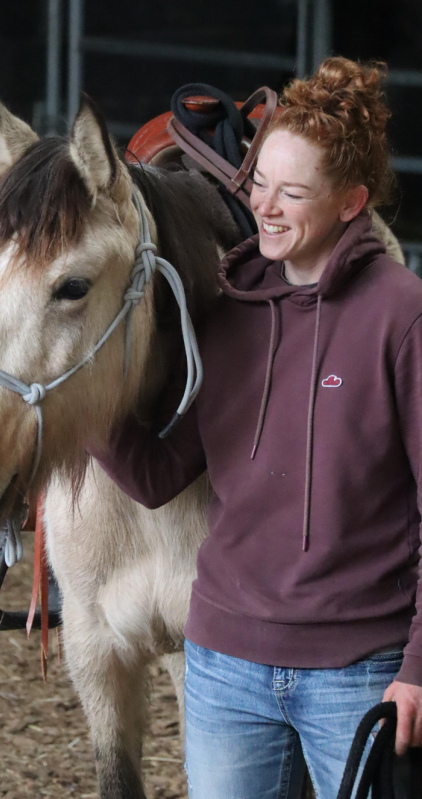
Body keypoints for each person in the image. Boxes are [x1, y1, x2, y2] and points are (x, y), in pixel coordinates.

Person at [94, 58, 422, 798]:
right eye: (260, 184)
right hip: (224, 670)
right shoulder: (227, 310)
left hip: (358, 673)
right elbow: (156, 477)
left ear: (351, 203)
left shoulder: (402, 317)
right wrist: (80, 401)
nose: (267, 208)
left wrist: (417, 673)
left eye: (294, 192)